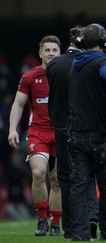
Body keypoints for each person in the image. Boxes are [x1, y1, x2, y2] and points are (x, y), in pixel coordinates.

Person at [68, 23, 106, 241]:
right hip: (100, 136)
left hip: (76, 134)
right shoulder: (102, 62)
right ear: (105, 41)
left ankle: (79, 233)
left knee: (79, 186)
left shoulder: (75, 65)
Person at [46, 26, 99, 239]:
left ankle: (69, 226)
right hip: (84, 126)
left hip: (60, 128)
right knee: (87, 175)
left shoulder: (53, 65)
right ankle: (92, 219)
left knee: (66, 178)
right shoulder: (91, 63)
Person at [8, 35, 62, 236]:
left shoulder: (66, 75)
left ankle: (55, 221)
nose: (50, 53)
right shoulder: (30, 77)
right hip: (38, 133)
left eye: (54, 50)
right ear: (40, 53)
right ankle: (41, 219)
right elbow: (18, 104)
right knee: (39, 173)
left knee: (56, 179)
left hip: (60, 133)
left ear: (60, 53)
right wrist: (13, 129)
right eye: (46, 50)